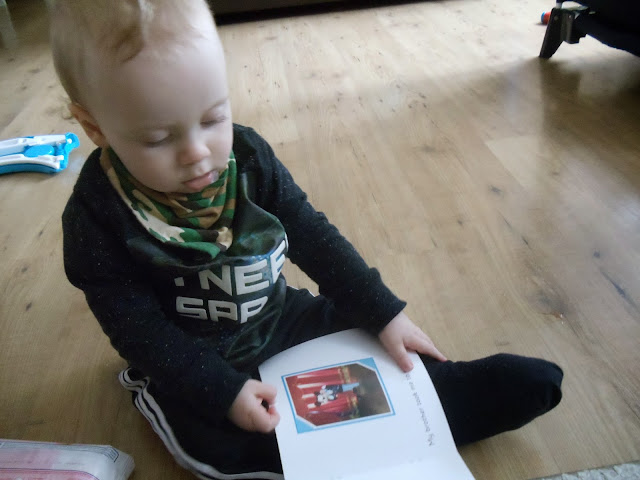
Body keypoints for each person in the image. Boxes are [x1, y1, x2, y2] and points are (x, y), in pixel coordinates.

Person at [51, 1, 563, 478]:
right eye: (159, 138)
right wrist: (222, 391)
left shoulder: (248, 157)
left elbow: (312, 235)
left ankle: (438, 399)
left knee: (370, 349)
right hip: (192, 357)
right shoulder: (96, 216)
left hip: (281, 317)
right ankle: (303, 456)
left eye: (213, 117)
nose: (197, 152)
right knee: (219, 443)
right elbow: (138, 329)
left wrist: (383, 312)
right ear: (95, 127)